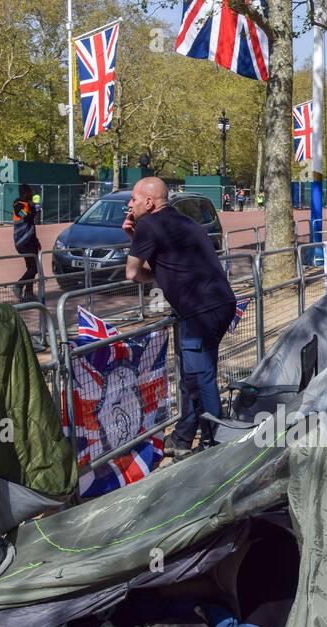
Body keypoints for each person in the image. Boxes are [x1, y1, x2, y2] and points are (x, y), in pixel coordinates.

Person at [124, 177, 236, 458]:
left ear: (149, 203)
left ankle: (216, 444)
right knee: (190, 375)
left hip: (199, 312)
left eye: (134, 199)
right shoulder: (184, 221)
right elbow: (166, 259)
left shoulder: (148, 224)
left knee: (201, 377)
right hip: (221, 304)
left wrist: (136, 240)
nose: (129, 204)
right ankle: (184, 436)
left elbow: (132, 272)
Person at [11, 183, 42, 300]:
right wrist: (33, 210)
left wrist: (37, 240)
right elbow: (26, 217)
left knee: (32, 268)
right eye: (29, 191)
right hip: (22, 242)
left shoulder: (30, 205)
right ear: (24, 193)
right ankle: (18, 286)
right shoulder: (17, 205)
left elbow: (32, 225)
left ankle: (28, 293)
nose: (31, 193)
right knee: (33, 268)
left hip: (31, 241)